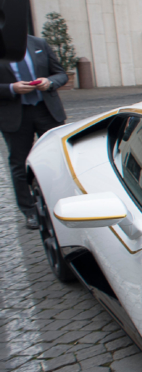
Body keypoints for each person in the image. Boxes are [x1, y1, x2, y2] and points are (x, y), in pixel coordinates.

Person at [0, 35, 69, 229]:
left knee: (59, 159)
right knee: (20, 165)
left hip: (46, 110)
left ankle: (63, 204)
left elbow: (61, 74)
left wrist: (50, 82)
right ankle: (30, 211)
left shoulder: (38, 43)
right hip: (15, 115)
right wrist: (11, 88)